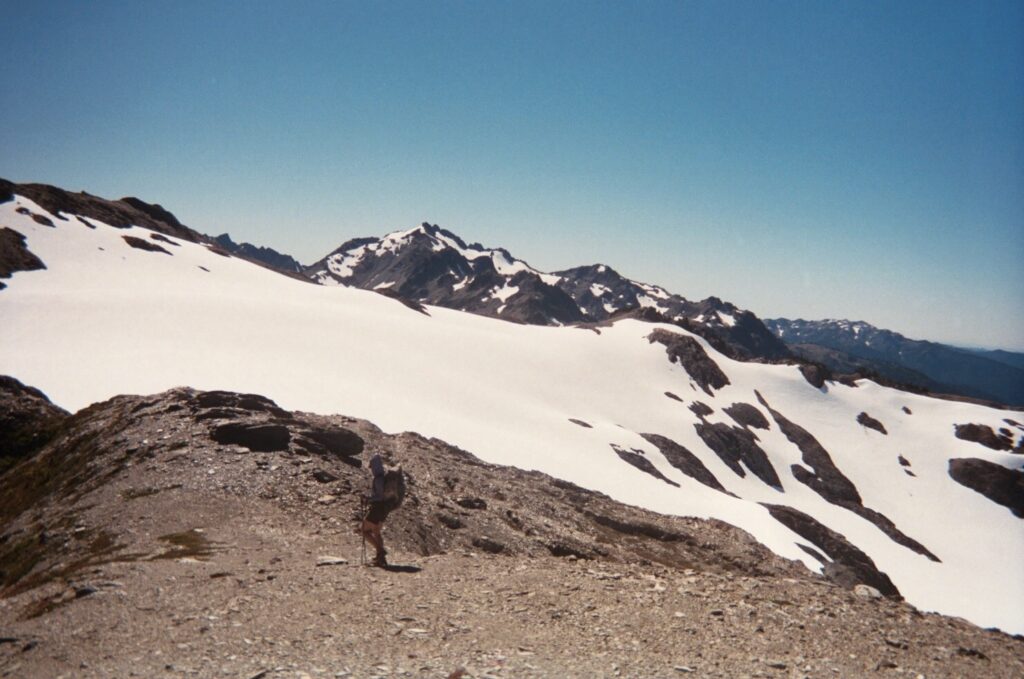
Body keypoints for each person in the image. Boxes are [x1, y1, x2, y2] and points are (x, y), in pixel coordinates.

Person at [360, 453, 398, 567]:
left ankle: (380, 551)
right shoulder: (384, 478)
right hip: (384, 509)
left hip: (377, 508)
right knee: (376, 532)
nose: (371, 469)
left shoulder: (378, 479)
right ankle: (380, 559)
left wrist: (368, 498)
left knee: (363, 530)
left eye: (372, 466)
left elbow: (379, 496)